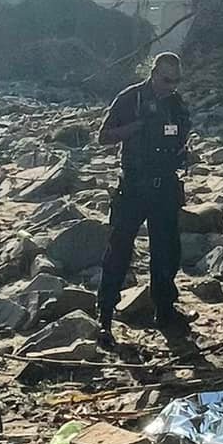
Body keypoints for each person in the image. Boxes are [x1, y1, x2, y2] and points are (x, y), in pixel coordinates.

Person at [95, 51, 190, 336]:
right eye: (165, 79)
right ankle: (106, 312)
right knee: (119, 250)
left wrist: (185, 155)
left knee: (167, 251)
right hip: (134, 186)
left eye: (175, 81)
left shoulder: (177, 104)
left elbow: (183, 136)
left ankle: (165, 309)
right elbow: (103, 136)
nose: (170, 86)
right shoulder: (130, 98)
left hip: (166, 187)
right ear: (153, 74)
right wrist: (135, 128)